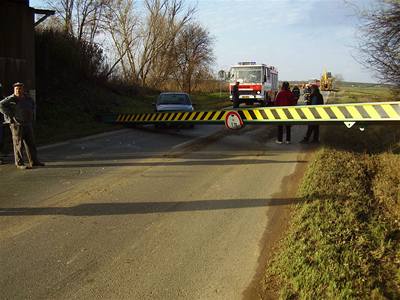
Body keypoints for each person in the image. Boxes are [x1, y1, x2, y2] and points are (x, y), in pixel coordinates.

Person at [0, 82, 45, 169]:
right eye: (17, 89)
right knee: (18, 144)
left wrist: (31, 112)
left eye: (20, 88)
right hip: (17, 125)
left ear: (23, 89)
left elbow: (33, 104)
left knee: (31, 143)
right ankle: (20, 163)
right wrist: (11, 114)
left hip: (27, 123)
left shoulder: (27, 98)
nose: (19, 90)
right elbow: (0, 105)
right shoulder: (11, 99)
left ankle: (34, 161)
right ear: (14, 90)